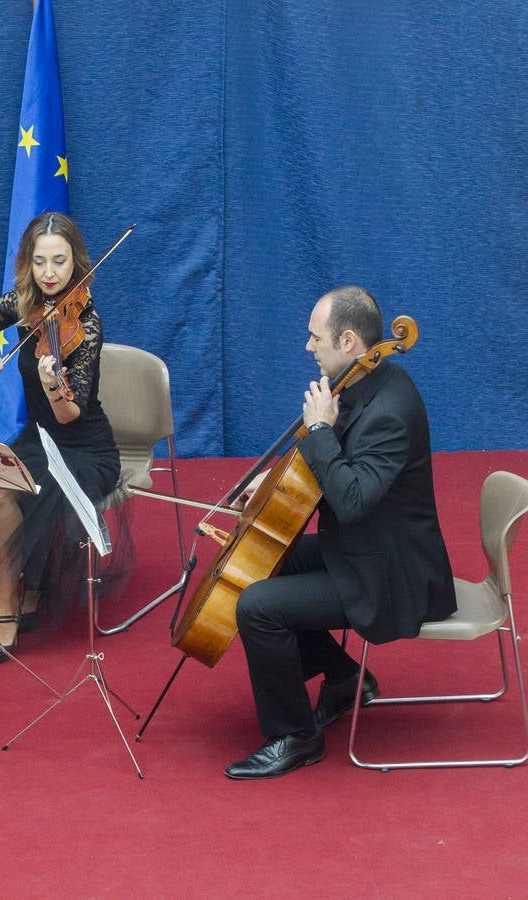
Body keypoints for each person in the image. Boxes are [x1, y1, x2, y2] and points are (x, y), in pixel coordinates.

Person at [224, 286, 455, 779]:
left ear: (349, 340)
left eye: (316, 337)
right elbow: (344, 474)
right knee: (265, 561)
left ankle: (296, 737)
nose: (309, 347)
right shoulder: (364, 382)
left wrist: (321, 432)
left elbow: (351, 501)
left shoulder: (390, 410)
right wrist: (273, 480)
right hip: (360, 551)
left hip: (388, 574)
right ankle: (346, 677)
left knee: (258, 606)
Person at [0, 212, 125, 665]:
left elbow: (70, 413)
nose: (50, 273)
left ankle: (8, 607)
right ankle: (19, 588)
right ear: (29, 263)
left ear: (76, 262)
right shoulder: (22, 304)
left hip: (84, 449)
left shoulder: (88, 324)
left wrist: (54, 384)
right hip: (37, 441)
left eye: (59, 261)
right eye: (40, 262)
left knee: (6, 493)